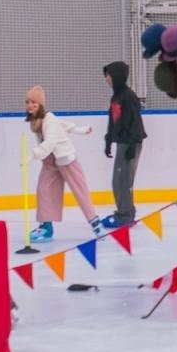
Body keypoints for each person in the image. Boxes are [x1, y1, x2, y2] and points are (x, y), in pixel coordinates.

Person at [25, 85, 102, 241]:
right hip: (50, 161)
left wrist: (33, 154)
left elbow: (50, 142)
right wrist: (79, 129)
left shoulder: (49, 119)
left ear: (41, 104)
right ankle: (46, 228)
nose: (30, 105)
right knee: (43, 190)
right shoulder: (37, 120)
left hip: (65, 158)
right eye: (27, 102)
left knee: (80, 190)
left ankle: (95, 223)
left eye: (34, 102)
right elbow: (63, 124)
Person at [101, 61, 146, 228]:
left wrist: (132, 146)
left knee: (123, 180)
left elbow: (136, 122)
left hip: (131, 143)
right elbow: (113, 121)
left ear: (117, 76)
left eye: (109, 75)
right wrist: (108, 141)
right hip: (123, 142)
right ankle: (124, 211)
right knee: (118, 180)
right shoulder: (116, 96)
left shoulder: (129, 96)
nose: (106, 79)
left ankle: (126, 215)